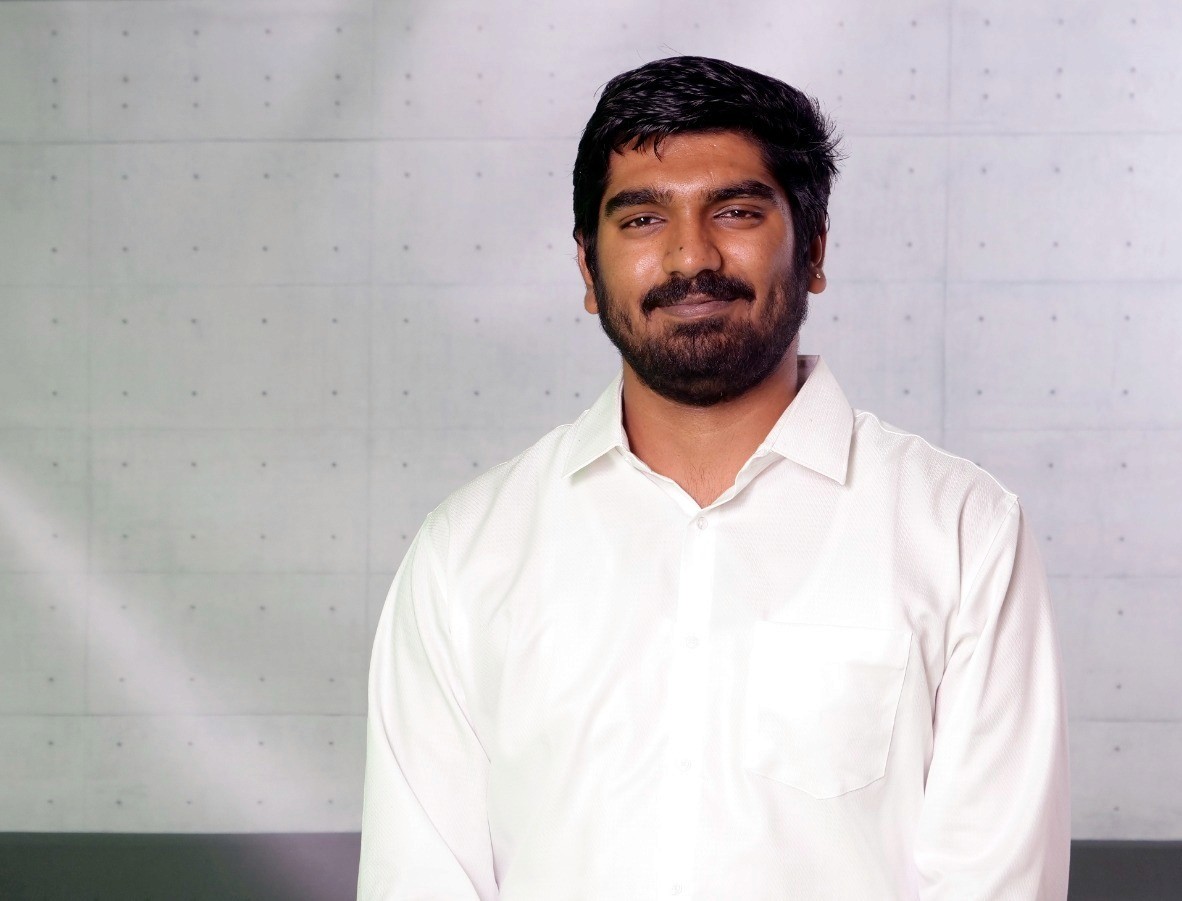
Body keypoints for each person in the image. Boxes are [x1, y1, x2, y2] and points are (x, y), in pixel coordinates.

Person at [357, 55, 1070, 900]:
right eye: (643, 220)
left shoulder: (960, 534)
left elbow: (993, 884)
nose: (691, 256)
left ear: (814, 251)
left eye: (734, 211)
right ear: (588, 269)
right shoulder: (466, 555)